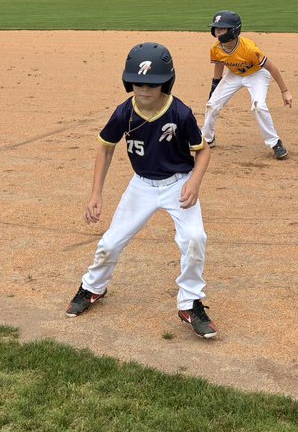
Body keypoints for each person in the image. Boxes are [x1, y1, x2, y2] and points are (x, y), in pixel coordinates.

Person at [66, 42, 217, 339]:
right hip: (142, 186)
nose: (144, 89)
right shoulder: (125, 112)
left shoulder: (180, 113)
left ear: (166, 82)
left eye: (153, 83)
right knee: (110, 242)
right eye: (138, 82)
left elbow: (203, 151)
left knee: (195, 238)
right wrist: (96, 194)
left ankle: (189, 303)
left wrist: (194, 182)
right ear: (128, 82)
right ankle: (93, 287)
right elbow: (105, 149)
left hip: (178, 183)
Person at [201, 10, 292, 159]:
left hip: (256, 74)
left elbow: (271, 67)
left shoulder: (249, 49)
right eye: (216, 28)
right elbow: (219, 65)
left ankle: (275, 143)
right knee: (212, 104)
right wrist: (214, 87)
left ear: (234, 31)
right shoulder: (215, 48)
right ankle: (208, 138)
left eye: (222, 28)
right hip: (234, 74)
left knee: (259, 105)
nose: (218, 32)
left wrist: (285, 91)